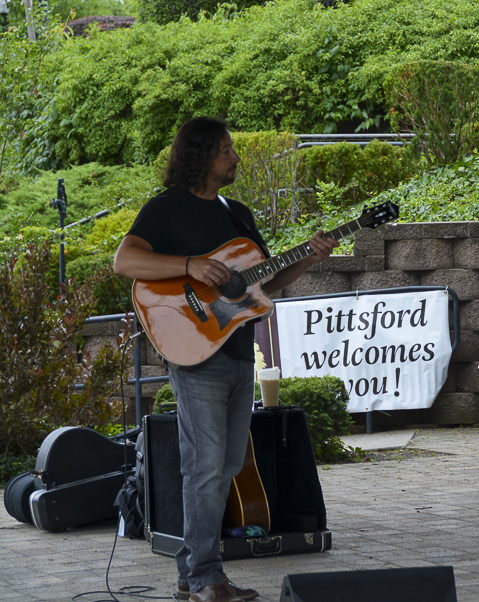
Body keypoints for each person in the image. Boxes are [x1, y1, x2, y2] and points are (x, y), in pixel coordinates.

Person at [114, 117, 338, 602]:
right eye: (226, 150)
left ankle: (192, 575)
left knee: (228, 462)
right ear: (200, 156)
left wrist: (308, 257)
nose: (235, 157)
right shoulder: (166, 208)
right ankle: (204, 579)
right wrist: (190, 265)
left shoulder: (237, 214)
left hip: (236, 351)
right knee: (206, 466)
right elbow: (125, 261)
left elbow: (262, 282)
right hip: (194, 352)